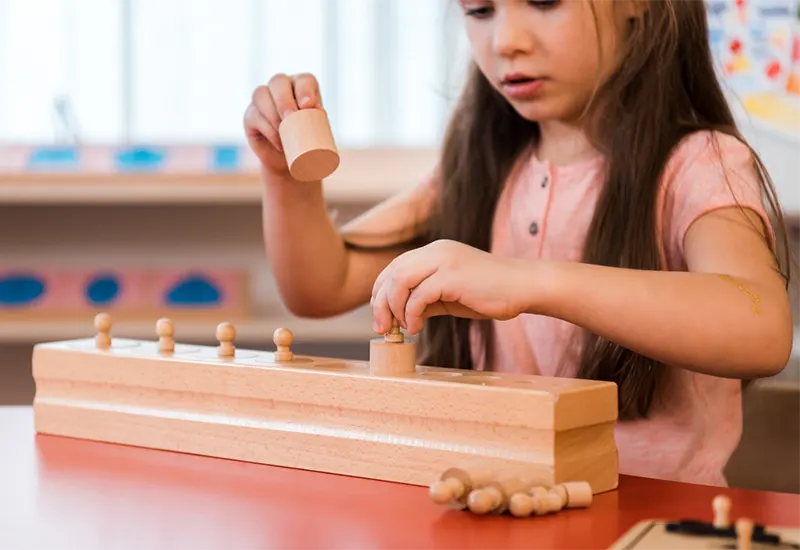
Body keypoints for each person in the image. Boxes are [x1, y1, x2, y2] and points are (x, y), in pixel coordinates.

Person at [243, 0, 794, 487]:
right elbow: (323, 285)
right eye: (479, 11)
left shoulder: (699, 163)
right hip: (493, 506)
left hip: (644, 517)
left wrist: (529, 279)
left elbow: (762, 325)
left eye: (543, 1)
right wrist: (287, 178)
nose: (506, 41)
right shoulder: (475, 167)